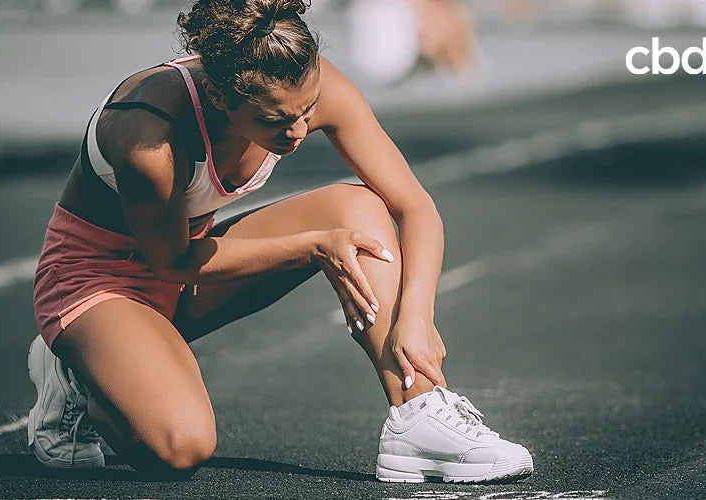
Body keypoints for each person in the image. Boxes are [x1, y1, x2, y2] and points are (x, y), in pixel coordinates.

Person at [28, 0, 533, 483]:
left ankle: (417, 413)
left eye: (307, 110)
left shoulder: (301, 81)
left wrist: (416, 320)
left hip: (190, 263)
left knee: (359, 208)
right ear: (221, 97)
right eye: (273, 121)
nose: (297, 130)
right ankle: (79, 373)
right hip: (100, 282)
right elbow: (173, 262)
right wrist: (311, 246)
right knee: (181, 448)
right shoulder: (147, 135)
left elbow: (415, 207)